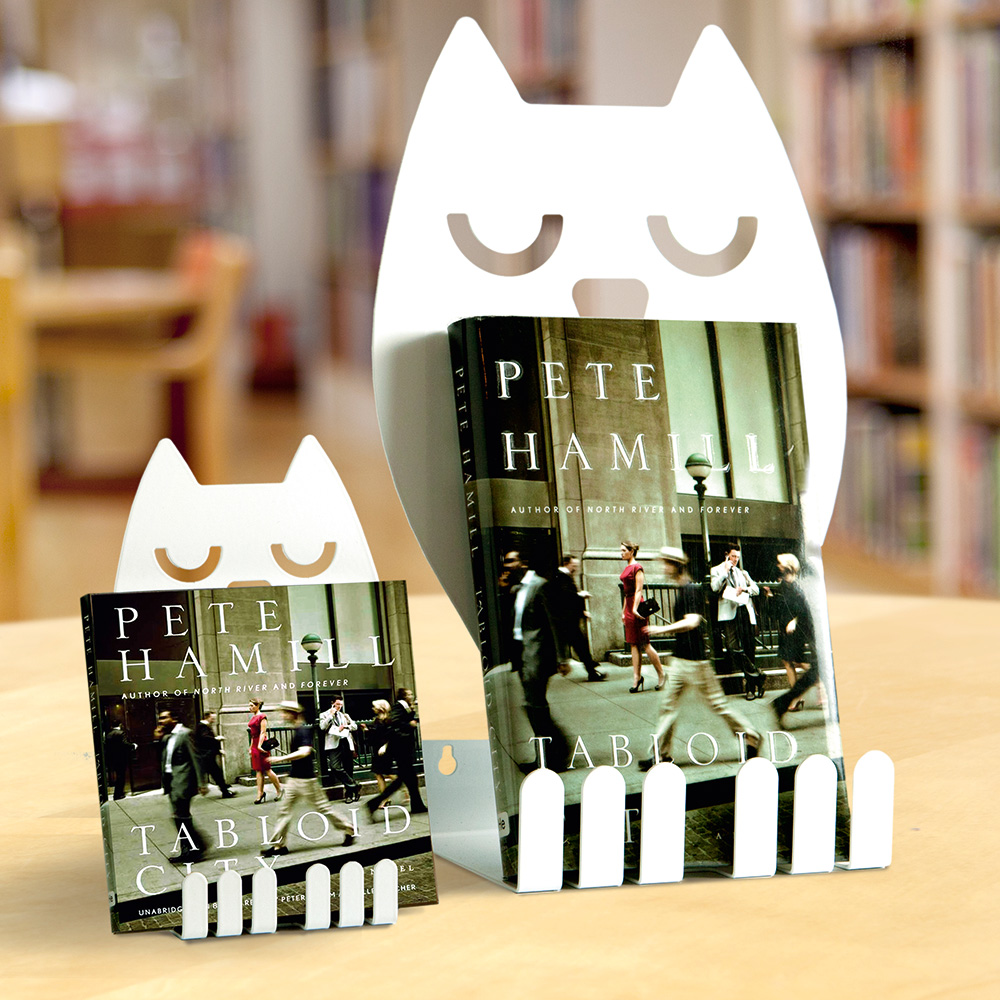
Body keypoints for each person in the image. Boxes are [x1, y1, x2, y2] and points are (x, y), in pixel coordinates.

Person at [637, 548, 760, 770]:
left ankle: (751, 736)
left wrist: (660, 630)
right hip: (680, 659)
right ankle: (660, 754)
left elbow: (692, 621)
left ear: (676, 566)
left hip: (695, 662)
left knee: (717, 705)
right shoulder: (683, 589)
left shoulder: (690, 590)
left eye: (666, 563)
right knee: (668, 707)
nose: (663, 567)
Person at [262, 702, 355, 857]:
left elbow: (305, 751)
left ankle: (349, 829)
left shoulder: (303, 730)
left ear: (293, 714)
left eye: (285, 712)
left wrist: (281, 759)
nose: (283, 715)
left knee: (323, 808)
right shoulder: (297, 730)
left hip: (306, 780)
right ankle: (279, 846)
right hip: (294, 778)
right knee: (284, 811)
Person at [511, 552, 571, 771]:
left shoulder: (540, 586)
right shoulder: (516, 589)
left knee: (535, 706)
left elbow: (554, 622)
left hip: (537, 656)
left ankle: (555, 753)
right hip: (521, 656)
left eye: (511, 561)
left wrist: (562, 658)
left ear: (523, 563)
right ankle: (553, 753)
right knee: (534, 707)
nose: (507, 566)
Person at [767, 553, 821, 721]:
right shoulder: (783, 585)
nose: (778, 566)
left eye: (780, 563)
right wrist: (770, 598)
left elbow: (804, 610)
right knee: (788, 662)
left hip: (797, 630)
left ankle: (820, 690)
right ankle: (796, 699)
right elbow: (778, 610)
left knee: (800, 662)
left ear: (789, 566)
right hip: (786, 630)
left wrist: (795, 621)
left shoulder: (798, 586)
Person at [711, 543, 764, 700]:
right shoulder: (716, 570)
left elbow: (756, 589)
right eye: (733, 556)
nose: (735, 560)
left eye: (737, 557)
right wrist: (725, 572)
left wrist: (745, 589)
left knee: (748, 648)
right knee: (732, 647)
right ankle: (758, 675)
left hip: (744, 611)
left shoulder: (743, 573)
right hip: (729, 613)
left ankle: (750, 687)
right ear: (726, 555)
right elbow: (714, 588)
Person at [366, 688, 428, 816]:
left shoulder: (405, 707)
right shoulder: (398, 707)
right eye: (409, 694)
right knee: (402, 780)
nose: (412, 695)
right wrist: (409, 725)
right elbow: (394, 724)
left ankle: (417, 805)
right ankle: (374, 803)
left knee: (409, 779)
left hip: (403, 749)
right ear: (404, 696)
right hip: (402, 749)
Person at [156, 710, 208, 863]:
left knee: (181, 816)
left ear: (174, 718)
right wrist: (158, 739)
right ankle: (191, 848)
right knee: (179, 816)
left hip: (183, 781)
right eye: (160, 718)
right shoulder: (167, 737)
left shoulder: (186, 734)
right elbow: (164, 758)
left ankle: (195, 848)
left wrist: (202, 783)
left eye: (164, 717)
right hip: (171, 782)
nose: (161, 721)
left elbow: (196, 758)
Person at [549, 554, 606, 682]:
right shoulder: (560, 576)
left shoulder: (565, 576)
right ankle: (590, 668)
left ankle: (590, 667)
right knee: (579, 646)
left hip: (569, 620)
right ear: (567, 564)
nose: (575, 568)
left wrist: (582, 612)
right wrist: (581, 595)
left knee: (580, 646)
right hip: (566, 621)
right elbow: (566, 597)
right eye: (574, 565)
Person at [620, 540, 665, 693]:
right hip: (629, 606)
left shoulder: (637, 568)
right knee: (633, 644)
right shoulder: (628, 567)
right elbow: (627, 593)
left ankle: (661, 674)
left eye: (623, 550)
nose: (621, 553)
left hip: (637, 608)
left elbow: (638, 590)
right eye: (621, 550)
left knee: (645, 643)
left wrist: (633, 609)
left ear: (631, 551)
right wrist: (624, 611)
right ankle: (637, 678)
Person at [319, 696, 360, 802]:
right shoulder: (324, 714)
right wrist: (331, 715)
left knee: (348, 768)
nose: (339, 706)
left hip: (345, 742)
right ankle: (355, 786)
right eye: (337, 704)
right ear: (332, 703)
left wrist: (346, 727)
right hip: (334, 744)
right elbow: (322, 727)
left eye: (341, 705)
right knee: (335, 766)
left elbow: (355, 726)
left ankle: (349, 794)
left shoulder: (344, 715)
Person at [248, 698, 282, 804]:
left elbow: (263, 732)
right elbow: (253, 735)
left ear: (258, 706)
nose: (250, 707)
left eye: (252, 705)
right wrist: (251, 747)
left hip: (261, 744)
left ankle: (279, 789)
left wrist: (259, 745)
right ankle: (260, 793)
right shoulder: (254, 717)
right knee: (258, 770)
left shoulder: (262, 717)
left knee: (267, 769)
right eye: (249, 705)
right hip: (255, 744)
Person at [193, 710, 235, 798]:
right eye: (212, 718)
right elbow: (205, 739)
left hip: (207, 756)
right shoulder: (202, 727)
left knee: (216, 773)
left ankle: (224, 789)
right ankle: (224, 789)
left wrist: (218, 750)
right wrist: (217, 738)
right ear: (207, 717)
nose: (214, 720)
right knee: (216, 773)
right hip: (206, 756)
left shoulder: (204, 726)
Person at [361, 699, 397, 798]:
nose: (373, 709)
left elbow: (392, 735)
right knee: (378, 774)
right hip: (377, 750)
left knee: (386, 773)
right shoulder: (377, 720)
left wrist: (385, 746)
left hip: (385, 750)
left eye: (375, 707)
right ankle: (385, 798)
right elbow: (376, 735)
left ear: (381, 708)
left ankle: (402, 784)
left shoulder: (389, 720)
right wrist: (366, 730)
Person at [104, 720, 134, 800]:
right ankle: (118, 794)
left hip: (113, 759)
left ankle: (118, 793)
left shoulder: (108, 735)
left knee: (118, 776)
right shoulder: (121, 733)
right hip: (121, 758)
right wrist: (133, 746)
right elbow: (125, 744)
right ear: (120, 725)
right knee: (121, 776)